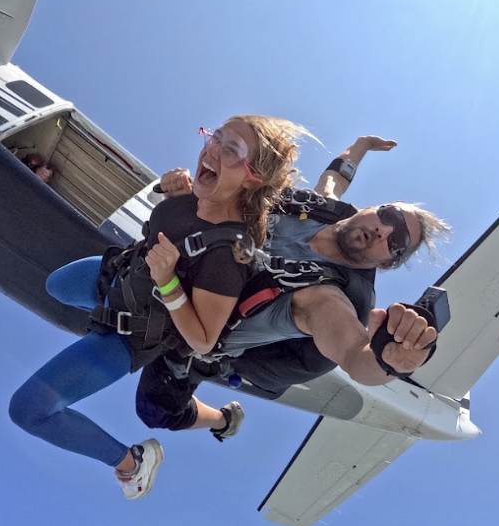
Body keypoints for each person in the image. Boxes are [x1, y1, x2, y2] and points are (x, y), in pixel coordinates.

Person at [8, 115, 306, 500]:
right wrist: (168, 193)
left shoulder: (227, 255)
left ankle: (133, 463)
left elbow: (202, 339)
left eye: (231, 149)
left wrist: (167, 281)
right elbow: (173, 230)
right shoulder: (188, 199)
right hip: (117, 277)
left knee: (29, 410)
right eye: (216, 137)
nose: (212, 149)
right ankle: (107, 325)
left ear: (253, 177)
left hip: (130, 335)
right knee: (57, 285)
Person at [133, 134, 449, 438]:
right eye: (388, 214)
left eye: (397, 241)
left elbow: (353, 352)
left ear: (387, 263)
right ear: (373, 207)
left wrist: (387, 362)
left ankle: (224, 420)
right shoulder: (319, 209)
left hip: (193, 333)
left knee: (154, 410)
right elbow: (335, 178)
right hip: (184, 272)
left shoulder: (328, 297)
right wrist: (361, 144)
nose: (383, 230)